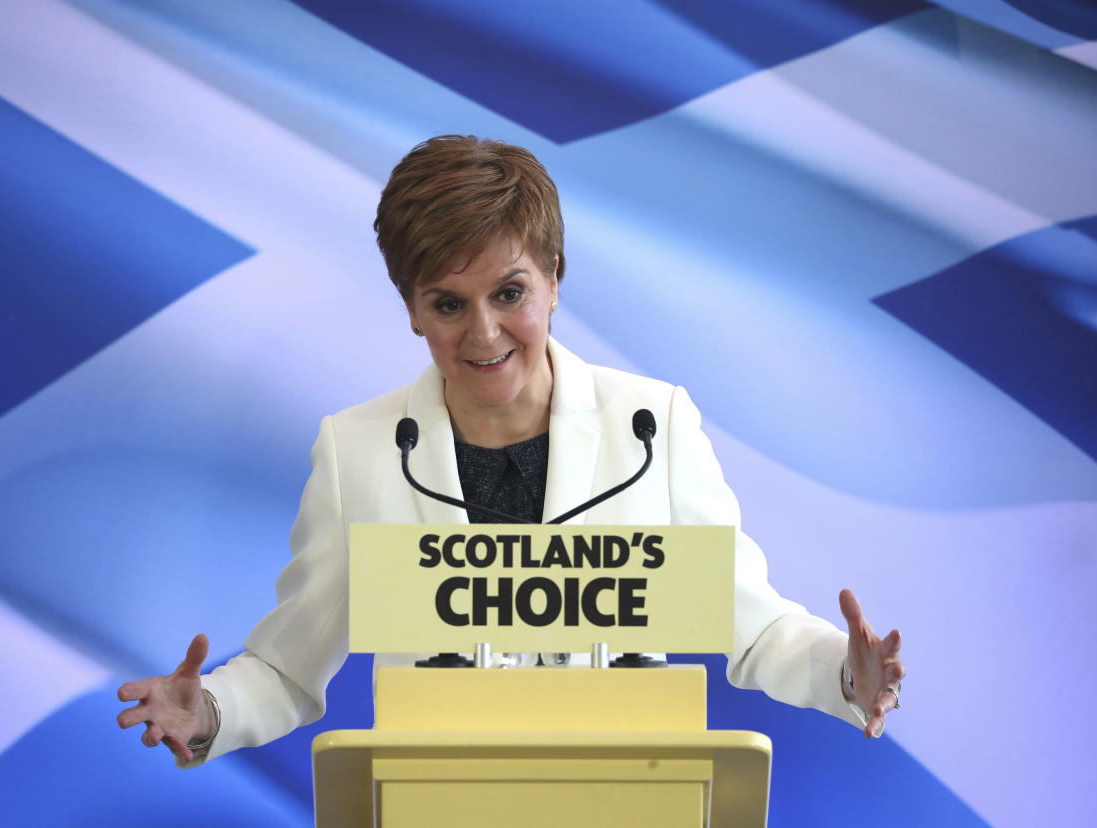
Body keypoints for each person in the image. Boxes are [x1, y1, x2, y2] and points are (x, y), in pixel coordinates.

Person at [117, 135, 905, 766]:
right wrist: (211, 708)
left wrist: (848, 672)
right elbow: (290, 668)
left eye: (511, 293)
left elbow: (755, 629)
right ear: (412, 310)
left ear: (555, 279)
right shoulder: (357, 452)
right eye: (448, 304)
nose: (484, 332)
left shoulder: (651, 428)